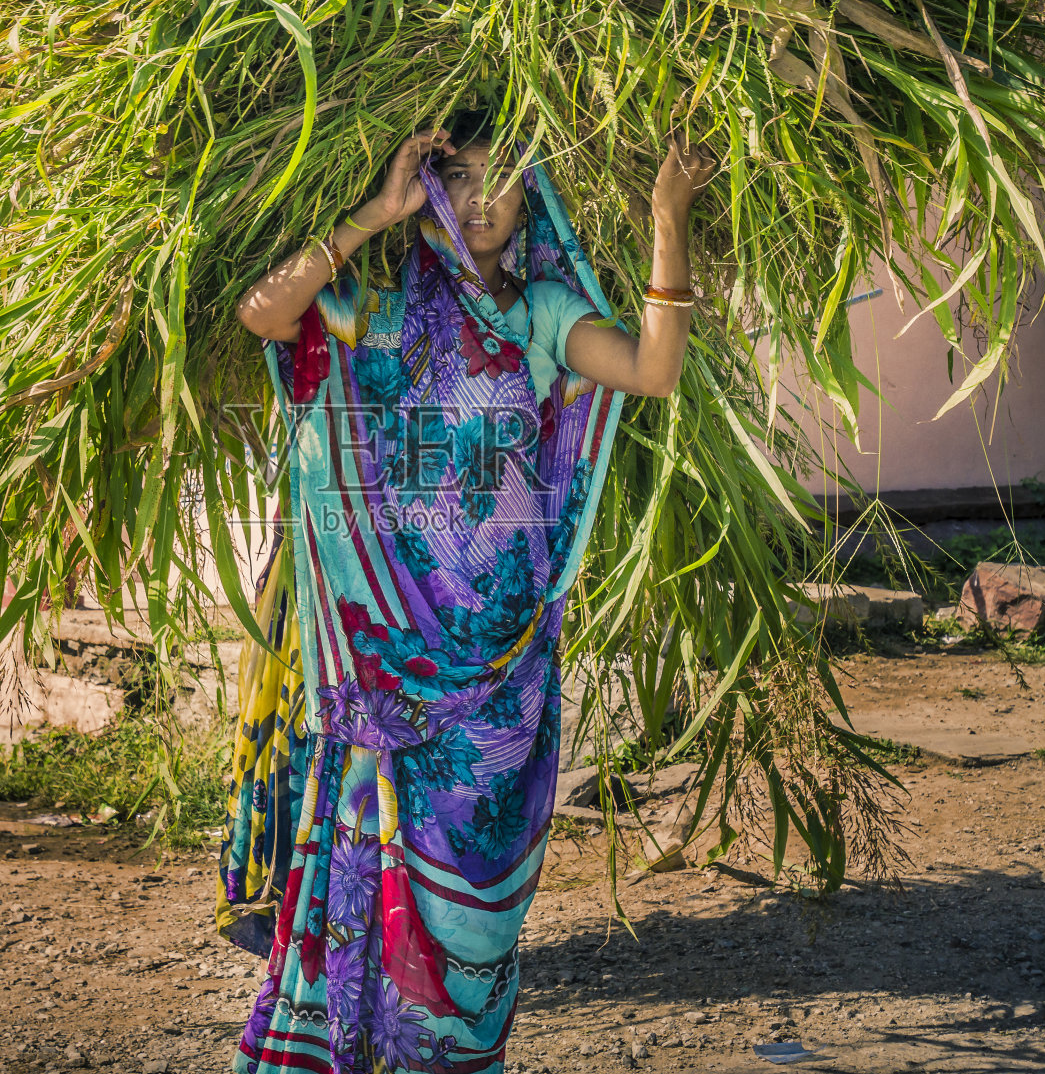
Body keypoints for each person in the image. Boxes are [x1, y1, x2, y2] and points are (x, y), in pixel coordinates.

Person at [222, 111, 714, 1074]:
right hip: (390, 667)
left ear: (535, 194)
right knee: (371, 886)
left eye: (505, 177)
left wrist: (669, 216)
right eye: (460, 177)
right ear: (429, 190)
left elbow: (654, 369)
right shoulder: (378, 309)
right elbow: (263, 314)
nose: (482, 199)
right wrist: (372, 213)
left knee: (478, 919)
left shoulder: (541, 315)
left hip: (502, 666)